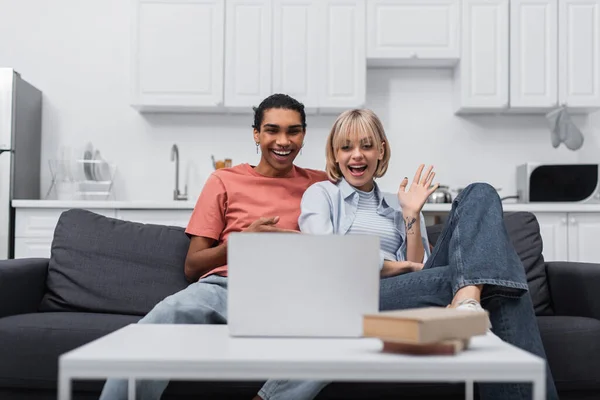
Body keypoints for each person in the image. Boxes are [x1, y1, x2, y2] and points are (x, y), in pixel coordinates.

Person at [255, 109, 559, 400]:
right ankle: (469, 295)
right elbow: (327, 256)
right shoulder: (321, 195)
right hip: (353, 295)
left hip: (407, 295)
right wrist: (394, 267)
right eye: (346, 147)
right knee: (490, 276)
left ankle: (468, 298)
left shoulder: (397, 203)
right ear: (335, 154)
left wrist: (411, 214)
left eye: (367, 146)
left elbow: (422, 273)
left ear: (381, 151)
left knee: (480, 191)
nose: (356, 155)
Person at [98, 93, 328, 400]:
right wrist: (241, 243)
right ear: (256, 134)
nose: (283, 140)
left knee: (337, 335)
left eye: (293, 131)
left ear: (304, 135)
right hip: (225, 289)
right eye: (272, 130)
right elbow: (193, 266)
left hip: (291, 295)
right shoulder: (224, 181)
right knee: (166, 315)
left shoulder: (323, 184)